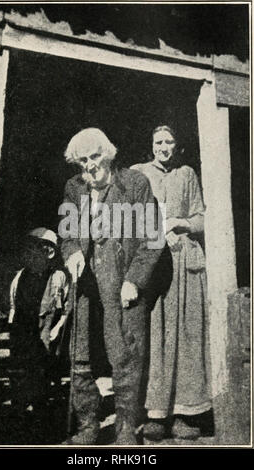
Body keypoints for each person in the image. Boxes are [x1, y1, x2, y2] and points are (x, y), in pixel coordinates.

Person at [59, 128, 162, 445]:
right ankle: (88, 425)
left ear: (109, 153)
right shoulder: (74, 188)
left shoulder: (134, 183)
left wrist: (135, 279)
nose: (89, 165)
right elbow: (67, 233)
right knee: (81, 356)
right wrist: (73, 252)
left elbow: (153, 239)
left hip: (123, 281)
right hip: (88, 283)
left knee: (127, 355)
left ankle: (126, 428)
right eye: (82, 161)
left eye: (94, 157)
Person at [131, 125, 211, 441]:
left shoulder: (187, 173)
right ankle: (154, 413)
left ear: (177, 146)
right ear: (150, 146)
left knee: (185, 335)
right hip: (151, 264)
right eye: (158, 142)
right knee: (153, 335)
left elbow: (202, 218)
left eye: (170, 142)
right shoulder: (138, 174)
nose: (164, 147)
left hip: (183, 268)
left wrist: (179, 222)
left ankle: (184, 413)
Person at [8, 227, 69, 414]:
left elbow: (66, 309)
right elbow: (13, 308)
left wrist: (57, 329)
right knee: (23, 368)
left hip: (48, 333)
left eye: (37, 248)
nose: (31, 254)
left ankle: (40, 407)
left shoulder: (58, 277)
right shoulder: (20, 277)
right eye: (29, 248)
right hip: (25, 332)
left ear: (49, 252)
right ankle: (21, 406)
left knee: (42, 369)